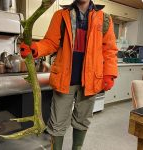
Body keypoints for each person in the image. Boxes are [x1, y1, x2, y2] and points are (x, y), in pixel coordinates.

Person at [20, 0, 118, 149]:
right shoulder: (60, 15)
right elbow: (50, 42)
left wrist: (109, 74)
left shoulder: (104, 19)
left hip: (90, 80)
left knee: (82, 120)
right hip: (64, 79)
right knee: (57, 122)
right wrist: (36, 48)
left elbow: (109, 50)